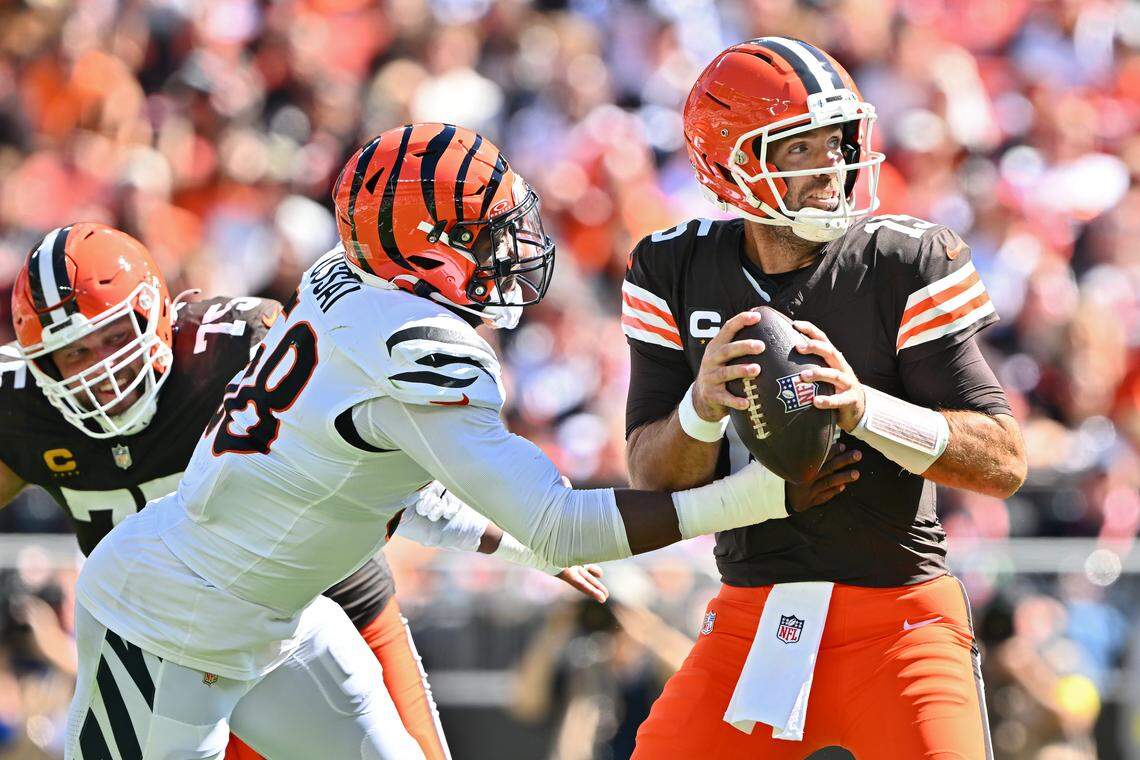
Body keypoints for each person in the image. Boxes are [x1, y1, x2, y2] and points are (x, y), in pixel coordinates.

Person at [61, 123, 825, 759]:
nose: (507, 248)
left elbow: (378, 495)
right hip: (161, 622)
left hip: (277, 618)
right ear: (422, 246)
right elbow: (559, 524)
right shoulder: (419, 347)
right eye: (481, 233)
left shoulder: (349, 284)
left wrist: (523, 551)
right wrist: (752, 497)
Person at [0, 222, 605, 760]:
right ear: (37, 363)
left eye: (111, 337)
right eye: (72, 354)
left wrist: (527, 539)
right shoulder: (18, 408)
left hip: (330, 601)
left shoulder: (240, 348)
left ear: (154, 312)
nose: (98, 368)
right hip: (170, 645)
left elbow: (381, 485)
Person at [623, 38, 1028, 758]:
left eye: (838, 141)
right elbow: (652, 477)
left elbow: (1004, 462)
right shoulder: (672, 269)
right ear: (734, 162)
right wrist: (700, 408)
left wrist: (863, 408)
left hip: (901, 624)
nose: (833, 166)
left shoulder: (903, 260)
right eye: (800, 146)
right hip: (750, 618)